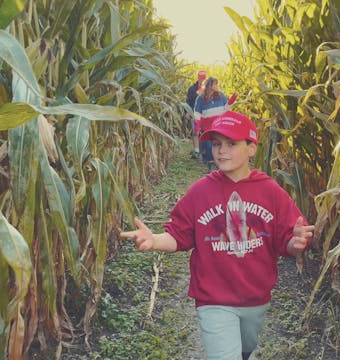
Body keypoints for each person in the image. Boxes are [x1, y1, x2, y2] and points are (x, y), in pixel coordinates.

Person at [120, 111, 315, 360]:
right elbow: (179, 235)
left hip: (256, 297)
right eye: (216, 144)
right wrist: (155, 239)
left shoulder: (270, 191)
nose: (222, 151)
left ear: (252, 148)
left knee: (245, 348)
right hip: (213, 299)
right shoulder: (201, 192)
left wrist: (297, 243)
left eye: (232, 144)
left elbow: (287, 239)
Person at [193, 77, 229, 169]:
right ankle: (211, 163)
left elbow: (226, 108)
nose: (217, 86)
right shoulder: (201, 98)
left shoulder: (221, 96)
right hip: (207, 126)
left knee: (219, 143)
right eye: (215, 84)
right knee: (209, 145)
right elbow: (197, 113)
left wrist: (231, 102)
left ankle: (217, 163)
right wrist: (197, 125)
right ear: (210, 86)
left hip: (219, 125)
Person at [186, 70, 207, 159]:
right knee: (196, 132)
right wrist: (187, 112)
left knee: (204, 132)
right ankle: (197, 151)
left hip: (205, 114)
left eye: (204, 78)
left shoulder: (208, 89)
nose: (202, 80)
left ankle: (204, 151)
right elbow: (188, 101)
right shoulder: (192, 89)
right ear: (198, 78)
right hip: (194, 113)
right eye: (201, 78)